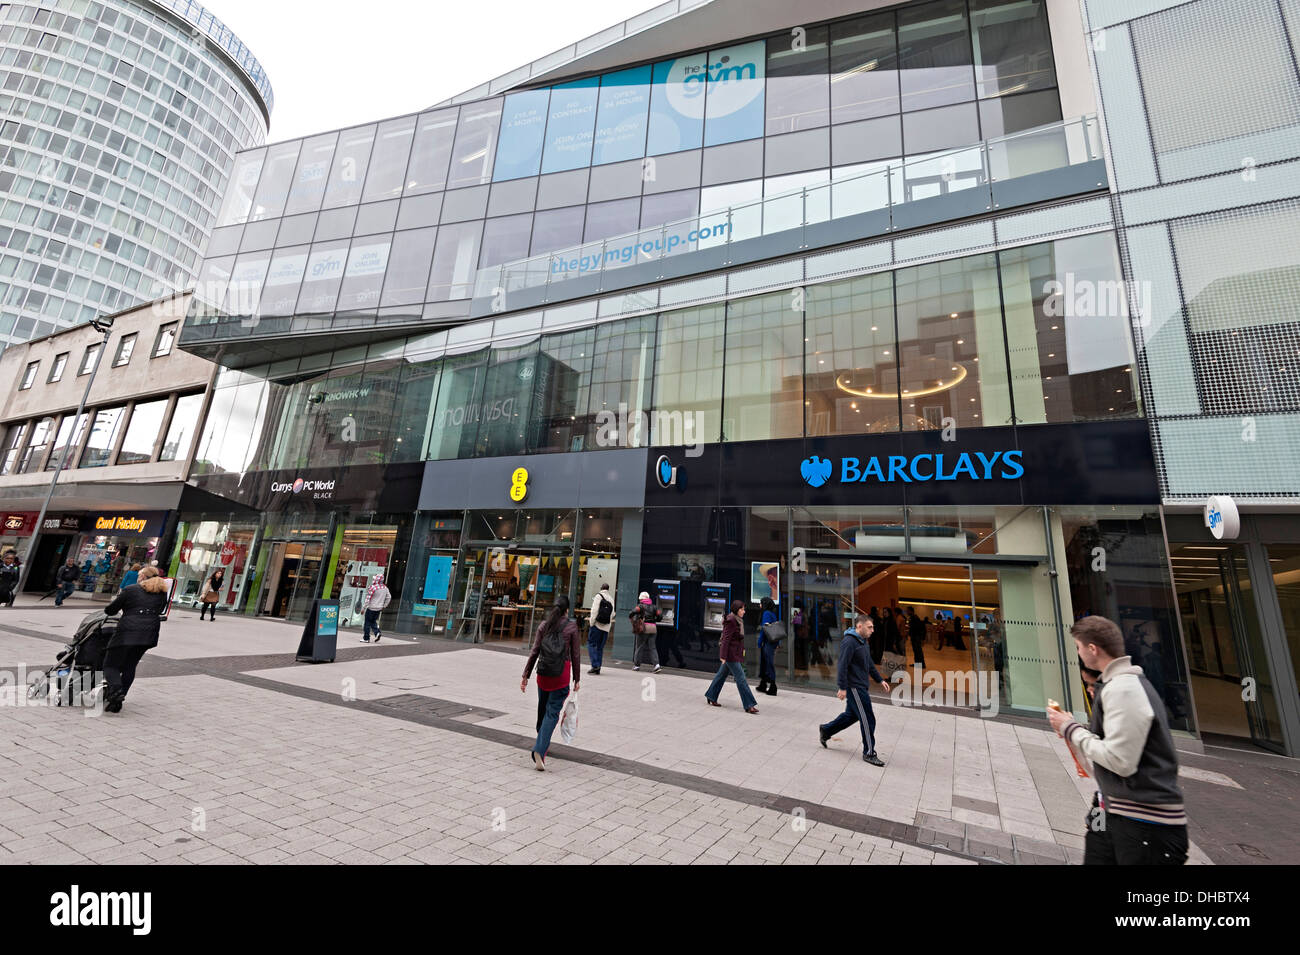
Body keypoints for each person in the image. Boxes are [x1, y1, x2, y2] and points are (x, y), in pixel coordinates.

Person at [1046, 615, 1187, 866]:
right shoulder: (1116, 686)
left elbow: (1120, 761)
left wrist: (1070, 728)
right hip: (1114, 810)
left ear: (1092, 649)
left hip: (1145, 823)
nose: (1078, 654)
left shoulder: (1124, 689)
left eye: (1078, 647)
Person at [818, 614, 890, 766]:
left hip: (861, 685)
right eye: (869, 627)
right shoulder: (849, 642)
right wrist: (842, 687)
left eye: (872, 627)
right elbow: (842, 665)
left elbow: (869, 663)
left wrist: (880, 679)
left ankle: (826, 730)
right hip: (855, 687)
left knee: (851, 716)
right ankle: (869, 753)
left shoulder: (862, 641)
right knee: (868, 719)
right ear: (859, 626)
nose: (872, 630)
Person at [520, 594, 581, 771]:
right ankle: (540, 749)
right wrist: (577, 678)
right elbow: (575, 655)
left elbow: (535, 651)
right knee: (552, 713)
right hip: (561, 675)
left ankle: (542, 740)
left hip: (543, 674)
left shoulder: (543, 626)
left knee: (543, 708)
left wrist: (526, 675)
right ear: (567, 610)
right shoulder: (571, 627)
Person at [99, 565, 169, 713]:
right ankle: (119, 697)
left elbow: (111, 610)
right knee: (130, 666)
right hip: (148, 633)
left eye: (139, 575)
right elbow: (161, 609)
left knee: (110, 664)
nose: (138, 577)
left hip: (126, 632)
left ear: (143, 576)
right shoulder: (161, 593)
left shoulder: (131, 590)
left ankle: (116, 691)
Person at [705, 600, 759, 713]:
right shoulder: (731, 621)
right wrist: (723, 656)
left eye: (744, 609)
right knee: (741, 679)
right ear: (736, 610)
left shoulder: (738, 620)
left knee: (721, 675)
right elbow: (726, 640)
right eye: (742, 609)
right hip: (730, 654)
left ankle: (711, 695)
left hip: (734, 652)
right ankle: (749, 705)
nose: (744, 612)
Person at [629, 591, 661, 673]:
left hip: (643, 628)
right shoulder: (655, 607)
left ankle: (636, 666)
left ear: (641, 599)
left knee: (639, 647)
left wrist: (633, 620)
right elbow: (660, 616)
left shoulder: (640, 606)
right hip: (653, 628)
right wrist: (655, 620)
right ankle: (657, 665)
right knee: (653, 647)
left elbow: (632, 612)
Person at [588, 583, 614, 675]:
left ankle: (595, 665)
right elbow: (612, 614)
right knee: (600, 648)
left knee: (591, 644)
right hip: (606, 627)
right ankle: (598, 667)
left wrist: (591, 623)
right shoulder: (611, 599)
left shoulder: (598, 596)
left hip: (597, 625)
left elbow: (594, 611)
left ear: (601, 588)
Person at [756, 596, 780, 696]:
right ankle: (763, 684)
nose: (759, 605)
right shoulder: (772, 614)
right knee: (765, 662)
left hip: (767, 643)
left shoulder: (766, 614)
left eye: (761, 603)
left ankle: (773, 687)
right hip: (772, 642)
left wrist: (759, 641)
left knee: (768, 663)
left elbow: (764, 629)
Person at [361, 573, 391, 643]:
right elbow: (389, 597)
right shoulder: (385, 588)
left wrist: (363, 608)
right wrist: (384, 606)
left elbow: (368, 599)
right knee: (373, 621)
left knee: (367, 623)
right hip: (379, 608)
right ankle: (377, 632)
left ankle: (366, 638)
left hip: (371, 608)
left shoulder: (373, 587)